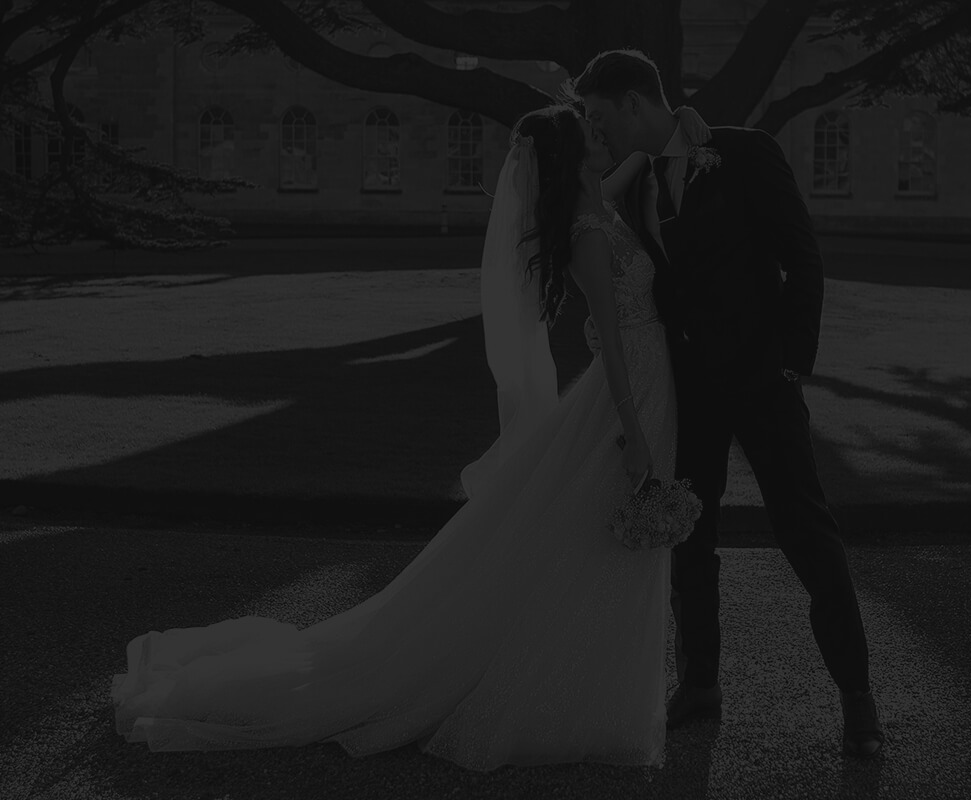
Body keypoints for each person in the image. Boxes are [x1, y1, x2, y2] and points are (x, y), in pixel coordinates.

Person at [110, 102, 704, 771]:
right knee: (599, 537)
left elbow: (633, 167)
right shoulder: (590, 231)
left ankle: (589, 686)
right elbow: (615, 342)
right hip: (628, 393)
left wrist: (677, 136)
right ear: (573, 158)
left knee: (585, 537)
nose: (608, 137)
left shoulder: (595, 198)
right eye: (593, 135)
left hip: (649, 384)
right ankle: (562, 695)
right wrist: (632, 431)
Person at [574, 49, 886, 758]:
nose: (599, 132)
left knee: (806, 531)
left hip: (761, 381)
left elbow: (803, 259)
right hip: (693, 390)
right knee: (691, 535)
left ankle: (859, 699)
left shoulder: (745, 154)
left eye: (601, 116)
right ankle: (701, 684)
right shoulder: (636, 184)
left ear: (633, 103)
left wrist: (787, 366)